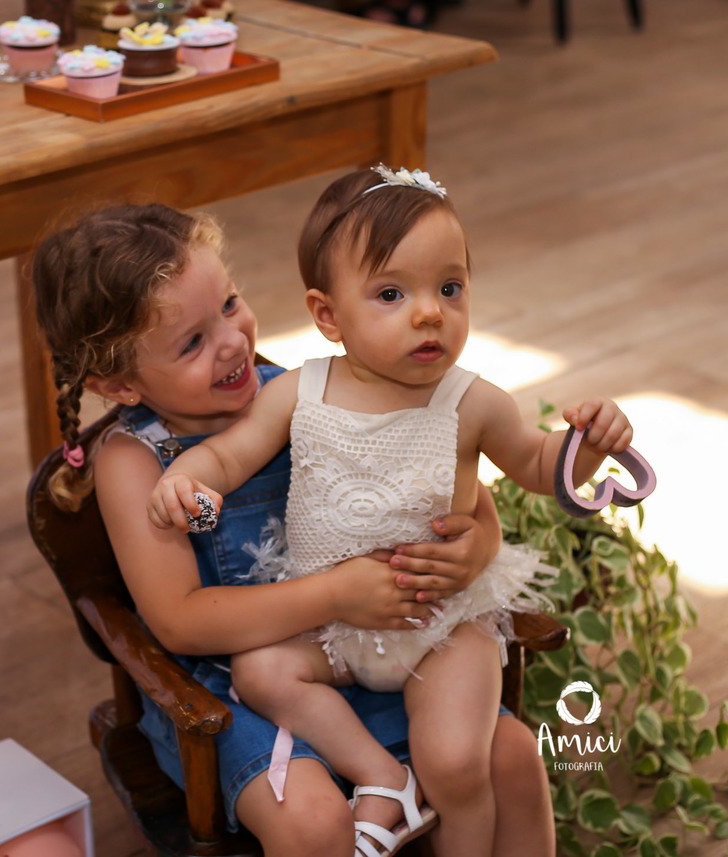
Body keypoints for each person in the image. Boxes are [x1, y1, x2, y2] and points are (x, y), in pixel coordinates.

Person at [32, 201, 555, 857]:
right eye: (192, 342)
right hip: (233, 689)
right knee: (312, 821)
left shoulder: (303, 391)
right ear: (120, 383)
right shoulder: (134, 464)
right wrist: (337, 595)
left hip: (375, 643)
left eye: (230, 304)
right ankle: (381, 781)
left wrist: (479, 543)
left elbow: (442, 477)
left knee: (511, 757)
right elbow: (180, 622)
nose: (232, 341)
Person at [147, 167, 631, 856]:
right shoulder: (299, 392)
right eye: (392, 293)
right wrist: (184, 480)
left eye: (450, 288)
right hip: (333, 627)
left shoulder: (473, 402)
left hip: (443, 624)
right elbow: (225, 457)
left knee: (456, 762)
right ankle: (383, 775)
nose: (430, 312)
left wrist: (587, 446)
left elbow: (537, 463)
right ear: (328, 315)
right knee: (260, 672)